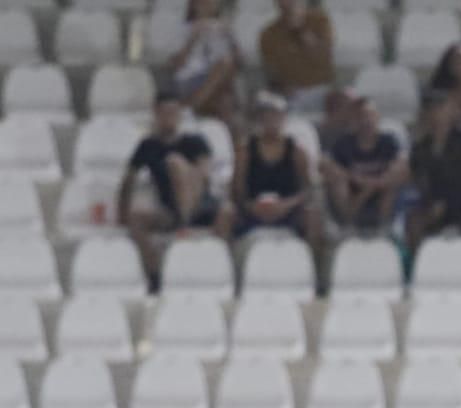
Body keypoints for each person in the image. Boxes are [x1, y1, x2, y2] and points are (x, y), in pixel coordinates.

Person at [118, 88, 235, 286]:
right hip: (169, 210)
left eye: (173, 112)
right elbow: (128, 180)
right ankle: (154, 274)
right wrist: (122, 213)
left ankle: (217, 264)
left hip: (201, 205)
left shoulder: (195, 142)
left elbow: (204, 174)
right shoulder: (148, 146)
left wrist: (184, 176)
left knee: (226, 210)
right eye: (164, 113)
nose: (169, 118)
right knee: (136, 218)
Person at [233, 92, 322, 254]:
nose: (271, 120)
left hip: (287, 210)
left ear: (283, 118)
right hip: (254, 209)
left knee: (312, 216)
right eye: (266, 115)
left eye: (275, 115)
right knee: (227, 215)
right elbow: (238, 189)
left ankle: (313, 263)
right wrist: (251, 206)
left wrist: (286, 205)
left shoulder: (297, 151)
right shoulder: (245, 150)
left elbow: (307, 189)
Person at [406, 87, 461, 254]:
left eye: (440, 108)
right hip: (434, 203)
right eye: (430, 109)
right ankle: (419, 267)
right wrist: (431, 205)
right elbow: (421, 182)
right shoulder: (420, 149)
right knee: (414, 222)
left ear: (450, 111)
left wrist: (448, 203)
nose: (435, 114)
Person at [324, 96, 406, 232]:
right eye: (362, 116)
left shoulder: (389, 142)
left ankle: (383, 228)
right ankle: (348, 225)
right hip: (352, 193)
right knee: (337, 182)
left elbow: (401, 167)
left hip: (380, 192)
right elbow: (328, 166)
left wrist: (371, 186)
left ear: (378, 117)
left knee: (393, 183)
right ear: (355, 119)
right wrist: (356, 180)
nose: (367, 121)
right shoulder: (343, 144)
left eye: (371, 115)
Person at [259, 0, 334, 116]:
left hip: (320, 90)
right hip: (290, 94)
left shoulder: (320, 21)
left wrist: (300, 29)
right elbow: (270, 71)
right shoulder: (268, 34)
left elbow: (323, 56)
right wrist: (283, 88)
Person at [170, 0, 239, 124]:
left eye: (211, 3)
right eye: (203, 3)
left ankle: (192, 108)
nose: (207, 7)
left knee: (225, 98)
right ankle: (191, 107)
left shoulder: (221, 29)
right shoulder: (183, 28)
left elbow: (239, 59)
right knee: (224, 68)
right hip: (190, 78)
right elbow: (176, 64)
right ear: (194, 5)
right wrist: (193, 37)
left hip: (216, 78)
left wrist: (230, 38)